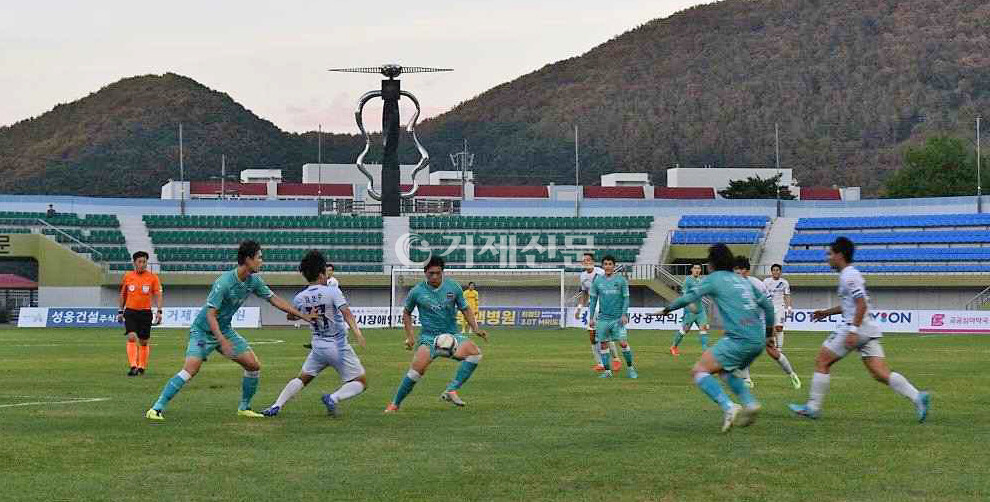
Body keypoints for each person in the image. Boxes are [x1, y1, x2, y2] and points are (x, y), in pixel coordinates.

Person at [145, 240, 314, 421]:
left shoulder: (254, 281)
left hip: (224, 330)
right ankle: (156, 408)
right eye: (259, 257)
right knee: (191, 369)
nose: (261, 262)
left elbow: (275, 300)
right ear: (248, 259)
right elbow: (211, 315)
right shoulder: (224, 282)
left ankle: (244, 407)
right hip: (203, 332)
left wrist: (303, 316)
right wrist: (222, 340)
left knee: (253, 365)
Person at [789, 237, 931, 422]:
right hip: (868, 328)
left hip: (855, 327)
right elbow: (852, 305)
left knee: (822, 361)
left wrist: (853, 330)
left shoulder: (849, 276)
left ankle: (813, 407)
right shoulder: (850, 275)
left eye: (830, 254)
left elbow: (861, 303)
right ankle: (917, 397)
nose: (827, 258)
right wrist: (826, 313)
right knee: (879, 373)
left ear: (839, 255)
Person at [660, 244, 775, 432]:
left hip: (738, 339)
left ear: (712, 263)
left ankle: (729, 407)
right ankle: (749, 402)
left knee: (699, 371)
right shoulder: (743, 280)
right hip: (757, 340)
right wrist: (769, 336)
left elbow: (689, 297)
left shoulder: (714, 279)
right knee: (724, 371)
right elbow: (769, 308)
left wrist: (667, 309)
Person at [262, 251, 367, 417]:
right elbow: (347, 313)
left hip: (318, 346)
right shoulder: (332, 291)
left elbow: (290, 316)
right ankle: (333, 398)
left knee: (303, 378)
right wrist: (358, 333)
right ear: (321, 274)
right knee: (361, 381)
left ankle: (277, 405)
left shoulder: (300, 297)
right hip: (337, 345)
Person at [385, 256, 488, 412]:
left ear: (442, 272)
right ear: (425, 273)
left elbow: (465, 309)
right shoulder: (417, 291)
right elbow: (406, 313)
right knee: (416, 372)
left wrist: (475, 328)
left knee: (475, 354)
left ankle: (451, 390)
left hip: (452, 334)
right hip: (429, 338)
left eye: (438, 273)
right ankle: (395, 404)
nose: (434, 276)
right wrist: (410, 337)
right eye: (431, 273)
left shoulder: (453, 287)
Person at [734, 256, 801, 389]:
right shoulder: (734, 285)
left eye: (738, 272)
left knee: (771, 350)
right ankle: (747, 379)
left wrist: (770, 329)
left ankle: (792, 374)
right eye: (734, 271)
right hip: (749, 320)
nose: (735, 275)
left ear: (746, 271)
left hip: (763, 320)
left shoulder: (757, 284)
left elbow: (769, 307)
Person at [589, 255, 637, 379]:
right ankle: (607, 371)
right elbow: (593, 300)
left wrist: (624, 314)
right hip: (603, 319)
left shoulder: (621, 280)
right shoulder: (597, 281)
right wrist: (591, 318)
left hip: (617, 318)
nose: (608, 266)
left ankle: (631, 369)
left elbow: (626, 299)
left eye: (610, 264)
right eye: (605, 264)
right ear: (603, 266)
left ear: (614, 266)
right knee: (603, 344)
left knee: (623, 343)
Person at [118, 251, 163, 376]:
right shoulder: (128, 276)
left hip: (145, 313)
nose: (142, 264)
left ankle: (142, 366)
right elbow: (123, 294)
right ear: (134, 263)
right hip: (130, 311)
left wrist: (159, 311)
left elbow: (158, 295)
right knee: (132, 337)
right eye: (140, 262)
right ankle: (133, 366)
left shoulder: (153, 277)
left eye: (144, 262)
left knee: (143, 341)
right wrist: (120, 311)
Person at [575, 253, 621, 372]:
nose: (587, 262)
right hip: (592, 307)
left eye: (589, 260)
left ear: (593, 261)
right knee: (592, 336)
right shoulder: (582, 276)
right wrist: (579, 307)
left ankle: (616, 359)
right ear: (582, 263)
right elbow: (584, 293)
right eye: (584, 260)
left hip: (604, 306)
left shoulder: (601, 272)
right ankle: (600, 363)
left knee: (604, 335)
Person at [669, 264, 710, 356]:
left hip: (700, 310)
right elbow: (684, 295)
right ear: (691, 269)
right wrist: (689, 304)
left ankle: (705, 350)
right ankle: (674, 346)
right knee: (685, 329)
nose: (697, 270)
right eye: (695, 268)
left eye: (699, 268)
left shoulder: (701, 280)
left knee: (703, 328)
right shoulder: (688, 280)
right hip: (690, 310)